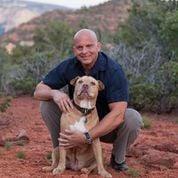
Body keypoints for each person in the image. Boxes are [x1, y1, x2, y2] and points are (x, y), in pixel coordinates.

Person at [34, 29, 143, 171]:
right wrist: (54, 93)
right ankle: (62, 154)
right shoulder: (69, 66)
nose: (84, 51)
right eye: (80, 47)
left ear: (98, 46)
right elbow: (38, 91)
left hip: (105, 126)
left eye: (89, 46)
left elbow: (117, 114)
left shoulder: (113, 71)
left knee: (131, 117)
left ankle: (118, 159)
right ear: (74, 50)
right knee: (47, 103)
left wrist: (86, 137)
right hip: (75, 119)